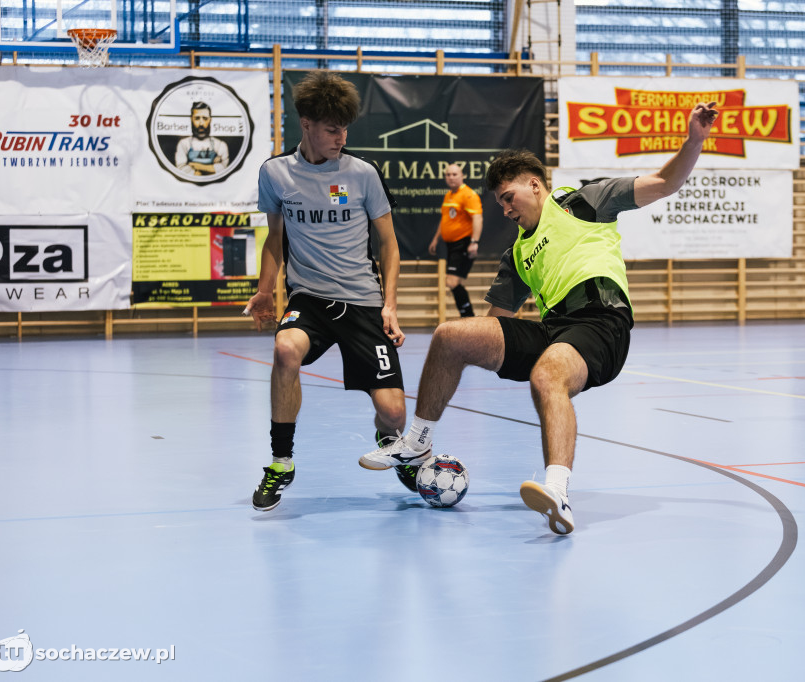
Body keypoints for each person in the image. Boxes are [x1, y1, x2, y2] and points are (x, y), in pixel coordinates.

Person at [358, 102, 719, 534]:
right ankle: (417, 443)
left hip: (600, 322)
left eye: (509, 198)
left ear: (535, 185)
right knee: (451, 335)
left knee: (547, 376)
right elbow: (497, 324)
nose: (506, 209)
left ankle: (558, 493)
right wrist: (473, 346)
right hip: (554, 330)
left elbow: (665, 182)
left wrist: (694, 139)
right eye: (500, 204)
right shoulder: (518, 251)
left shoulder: (583, 201)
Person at [246, 70, 410, 511]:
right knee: (285, 351)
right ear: (307, 125)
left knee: (394, 412)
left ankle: (391, 440)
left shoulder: (362, 174)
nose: (341, 136)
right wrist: (265, 291)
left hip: (361, 302)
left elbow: (390, 245)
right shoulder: (276, 174)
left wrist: (389, 305)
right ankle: (281, 462)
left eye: (345, 128)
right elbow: (275, 240)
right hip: (309, 299)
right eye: (332, 128)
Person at [428, 163, 483, 317]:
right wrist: (435, 239)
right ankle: (468, 318)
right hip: (450, 245)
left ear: (462, 176)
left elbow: (477, 218)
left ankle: (469, 318)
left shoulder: (468, 195)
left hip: (463, 244)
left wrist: (474, 242)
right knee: (453, 283)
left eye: (454, 174)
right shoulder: (449, 195)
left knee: (452, 282)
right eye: (448, 174)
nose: (451, 177)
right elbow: (445, 219)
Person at [175, 101, 230, 177]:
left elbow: (223, 169)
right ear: (191, 119)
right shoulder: (183, 144)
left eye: (205, 118)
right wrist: (211, 169)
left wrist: (195, 165)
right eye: (197, 118)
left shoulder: (220, 144)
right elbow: (181, 169)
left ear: (210, 119)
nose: (201, 123)